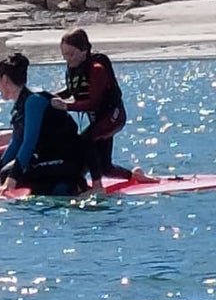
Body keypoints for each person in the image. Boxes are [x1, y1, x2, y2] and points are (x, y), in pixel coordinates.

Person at [48, 27, 147, 185]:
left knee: (86, 140)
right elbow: (72, 90)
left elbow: (93, 102)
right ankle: (135, 176)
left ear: (84, 51)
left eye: (71, 54)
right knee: (105, 167)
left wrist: (66, 107)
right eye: (64, 55)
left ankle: (97, 185)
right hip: (98, 120)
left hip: (113, 117)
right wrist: (49, 97)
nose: (68, 59)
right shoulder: (74, 67)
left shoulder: (97, 70)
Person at [0, 53, 88, 196]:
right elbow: (16, 143)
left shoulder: (34, 101)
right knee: (5, 174)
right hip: (49, 158)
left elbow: (29, 143)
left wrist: (11, 181)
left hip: (68, 159)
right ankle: (60, 184)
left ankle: (71, 186)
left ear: (4, 79)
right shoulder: (20, 105)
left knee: (11, 175)